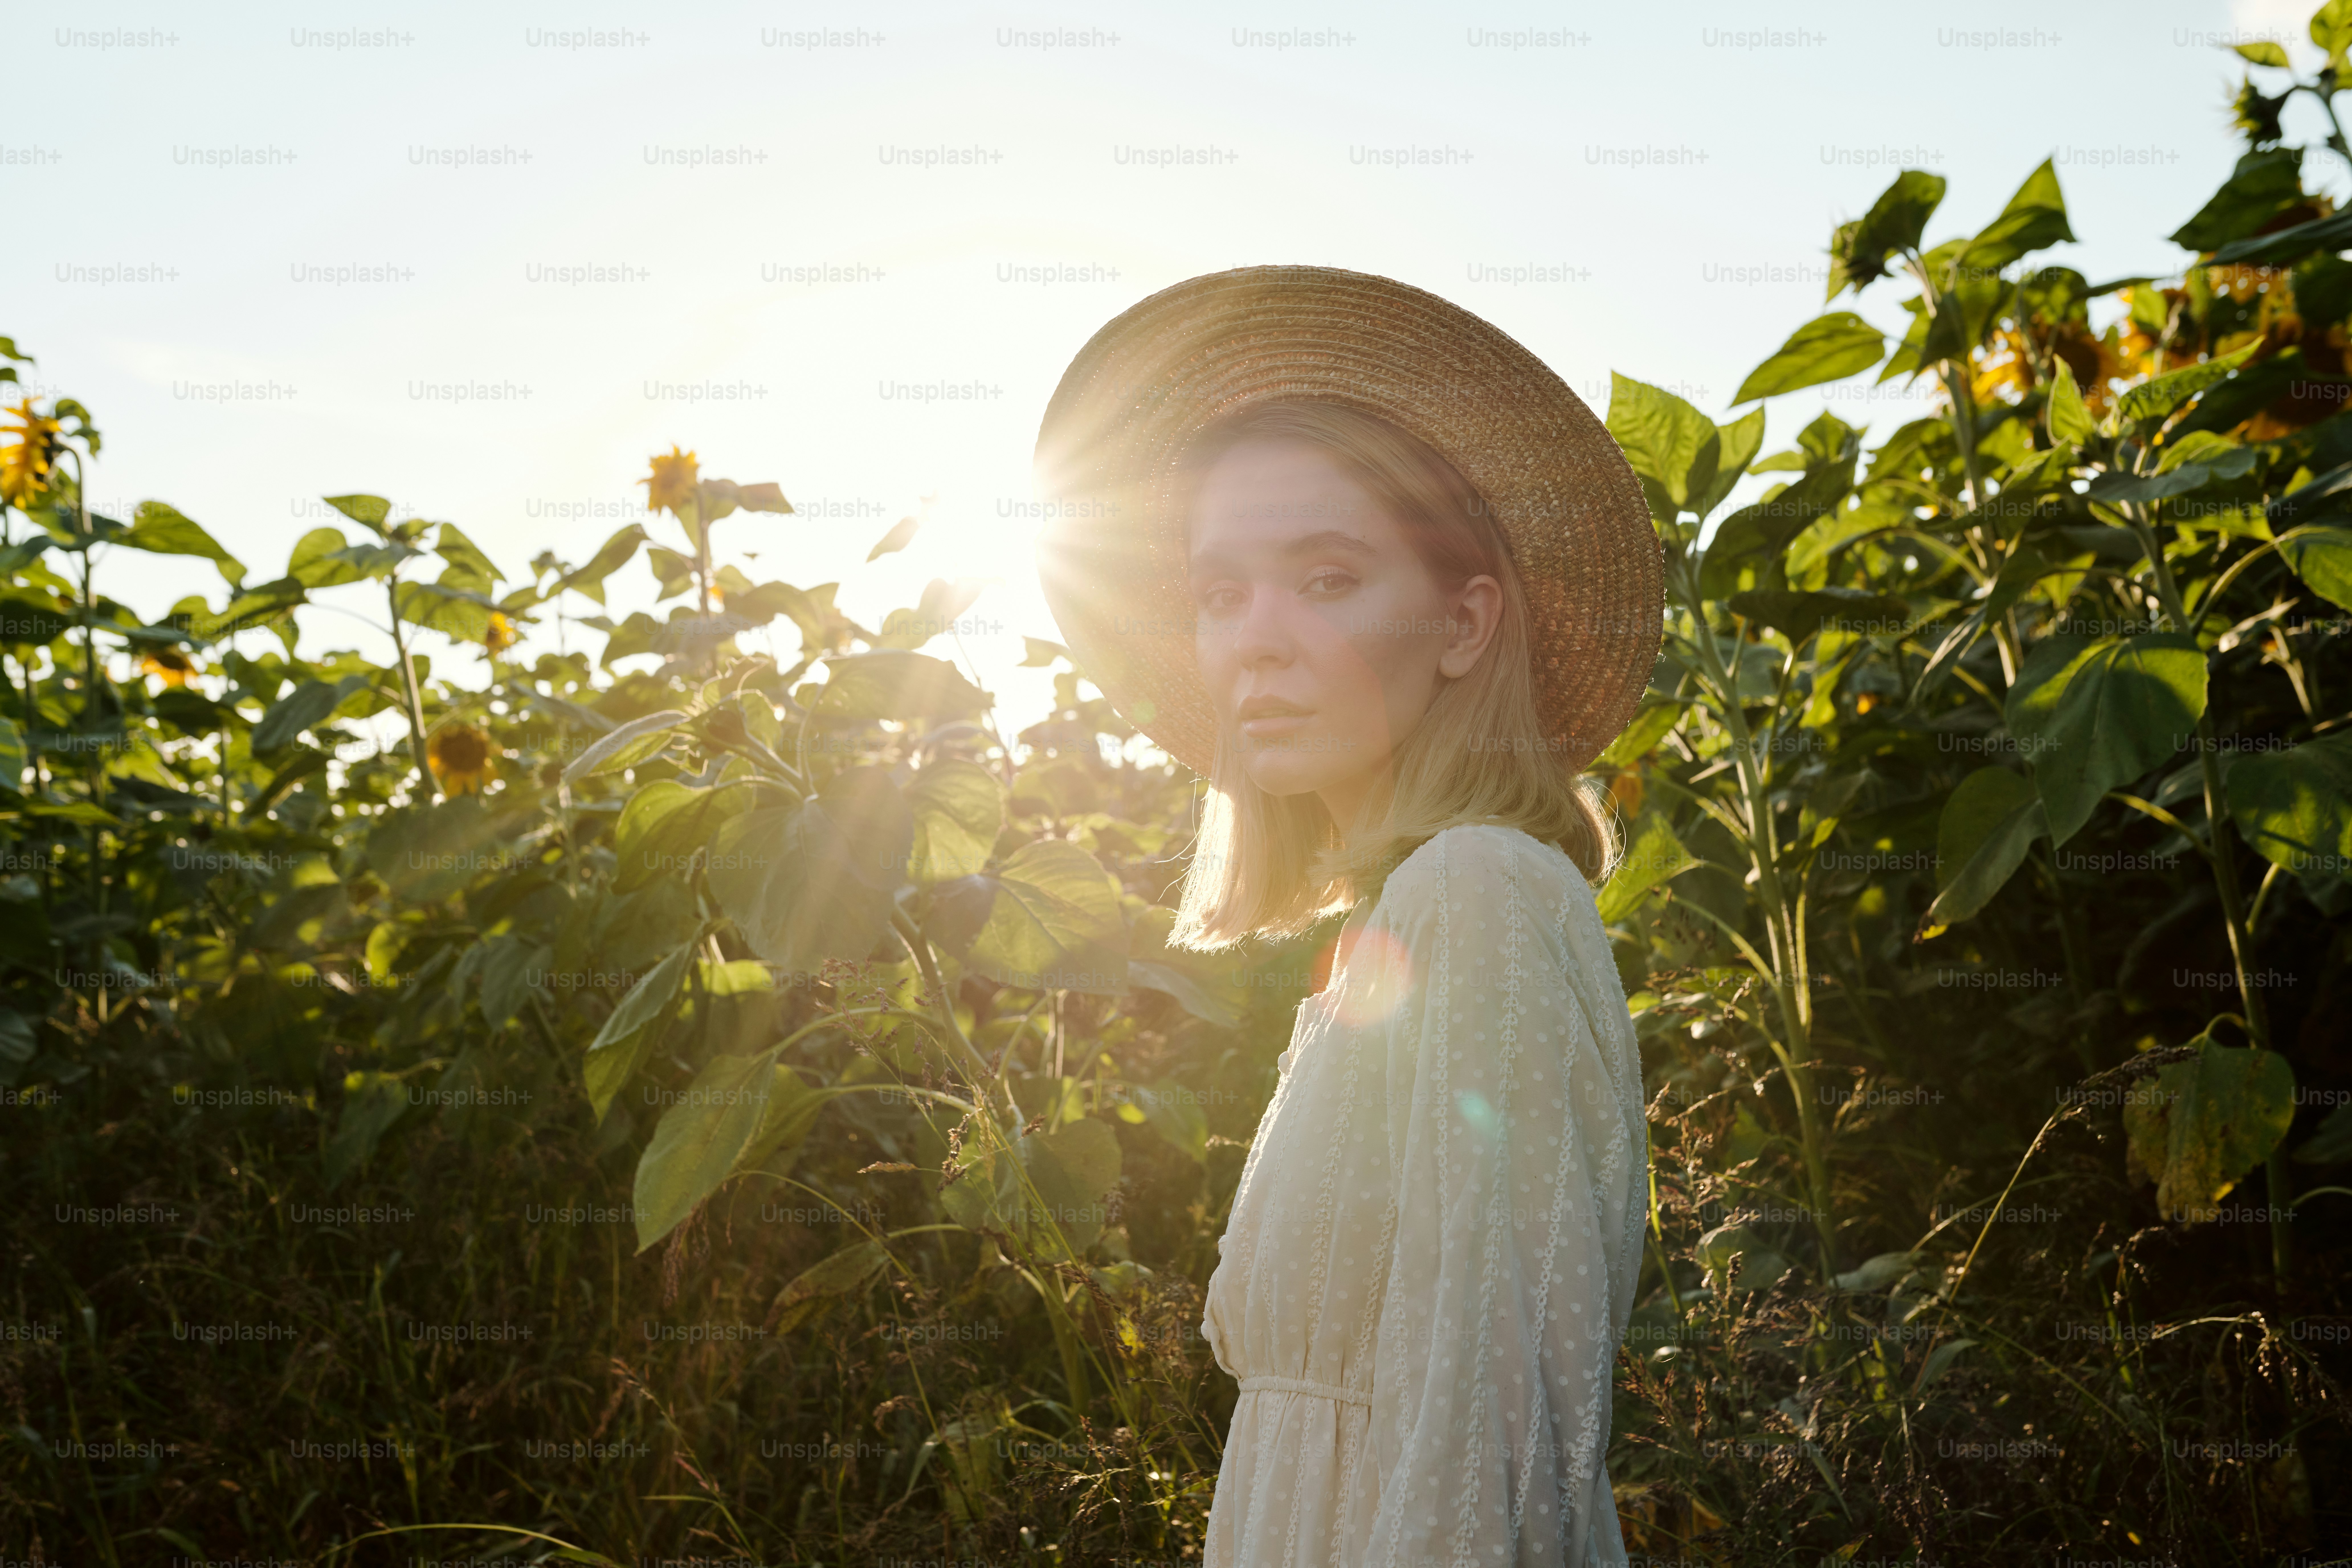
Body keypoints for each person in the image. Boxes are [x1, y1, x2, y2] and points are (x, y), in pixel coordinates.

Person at [1034, 266, 1660, 1567]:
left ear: (1462, 622)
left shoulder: (1477, 891)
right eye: (1220, 592)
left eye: (1325, 579)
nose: (1253, 640)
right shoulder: (1408, 909)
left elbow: (1497, 1410)